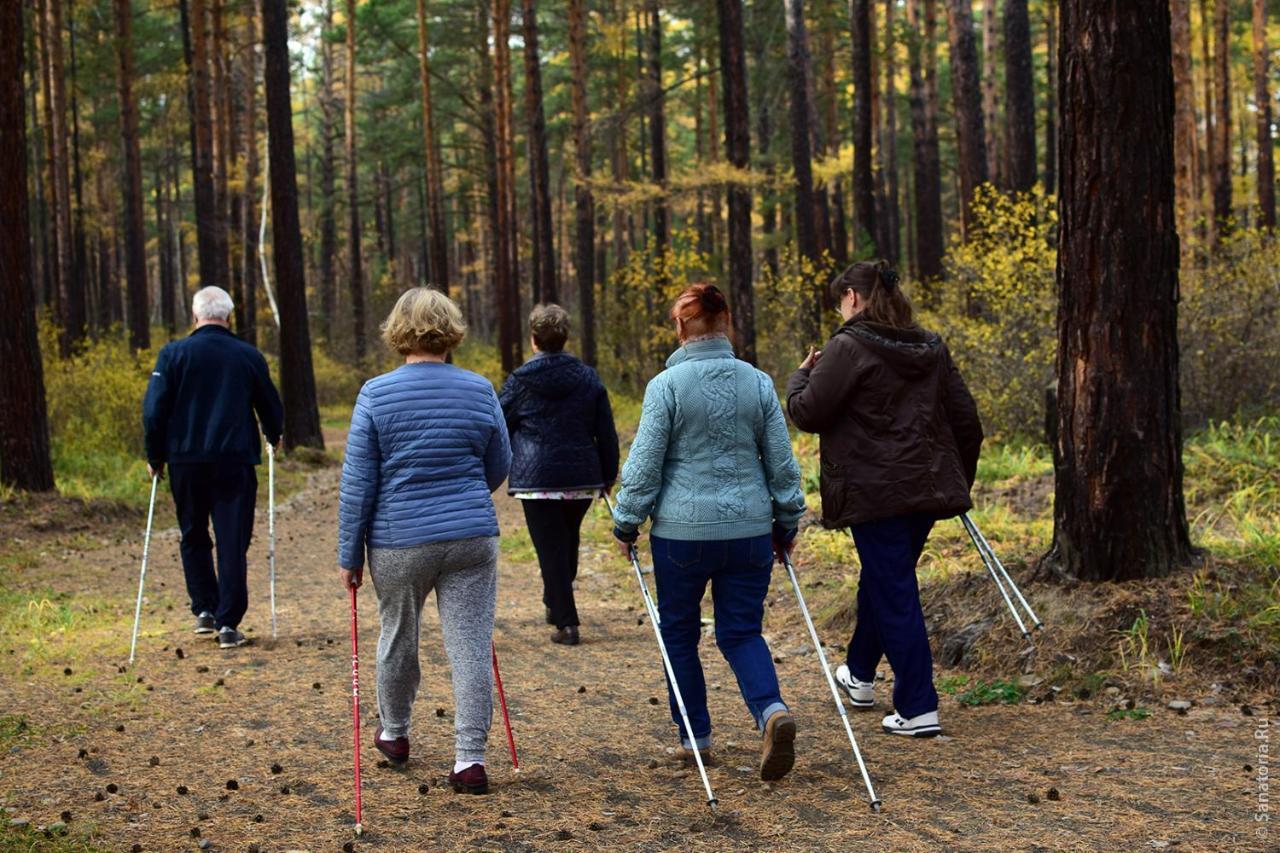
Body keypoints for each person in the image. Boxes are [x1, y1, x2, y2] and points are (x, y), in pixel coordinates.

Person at [611, 283, 807, 782]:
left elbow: (645, 464)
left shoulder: (666, 387)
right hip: (748, 530)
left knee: (679, 632)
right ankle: (771, 711)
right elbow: (781, 463)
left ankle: (694, 737)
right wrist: (787, 520)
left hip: (682, 534)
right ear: (727, 324)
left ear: (680, 328)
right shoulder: (758, 383)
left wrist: (627, 519)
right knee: (741, 631)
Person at [786, 260, 983, 738]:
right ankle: (859, 674)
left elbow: (807, 412)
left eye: (840, 300)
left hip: (875, 493)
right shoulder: (930, 346)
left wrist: (799, 376)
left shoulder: (847, 346)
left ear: (853, 297)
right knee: (885, 579)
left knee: (894, 590)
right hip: (926, 491)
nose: (840, 308)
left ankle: (918, 706)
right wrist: (957, 483)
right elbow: (967, 420)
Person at [338, 287, 511, 796]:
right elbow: (498, 463)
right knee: (471, 645)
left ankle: (394, 732)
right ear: (449, 330)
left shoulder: (376, 394)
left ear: (399, 331)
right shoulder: (480, 390)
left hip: (399, 539)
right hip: (471, 537)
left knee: (398, 635)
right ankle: (469, 760)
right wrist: (464, 493)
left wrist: (349, 554)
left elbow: (358, 484)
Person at [142, 286, 283, 650]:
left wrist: (154, 455)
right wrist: (274, 433)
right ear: (228, 316)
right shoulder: (247, 355)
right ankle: (227, 622)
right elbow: (270, 401)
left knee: (193, 533)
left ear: (195, 315)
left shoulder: (173, 354)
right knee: (232, 540)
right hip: (233, 460)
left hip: (185, 460)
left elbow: (154, 409)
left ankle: (204, 608)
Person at [498, 304, 619, 646]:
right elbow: (605, 431)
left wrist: (499, 464)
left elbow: (498, 424)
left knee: (551, 548)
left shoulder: (519, 381)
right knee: (567, 542)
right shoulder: (587, 377)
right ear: (565, 338)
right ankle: (556, 599)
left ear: (533, 338)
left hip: (537, 480)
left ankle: (567, 622)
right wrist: (608, 473)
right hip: (581, 476)